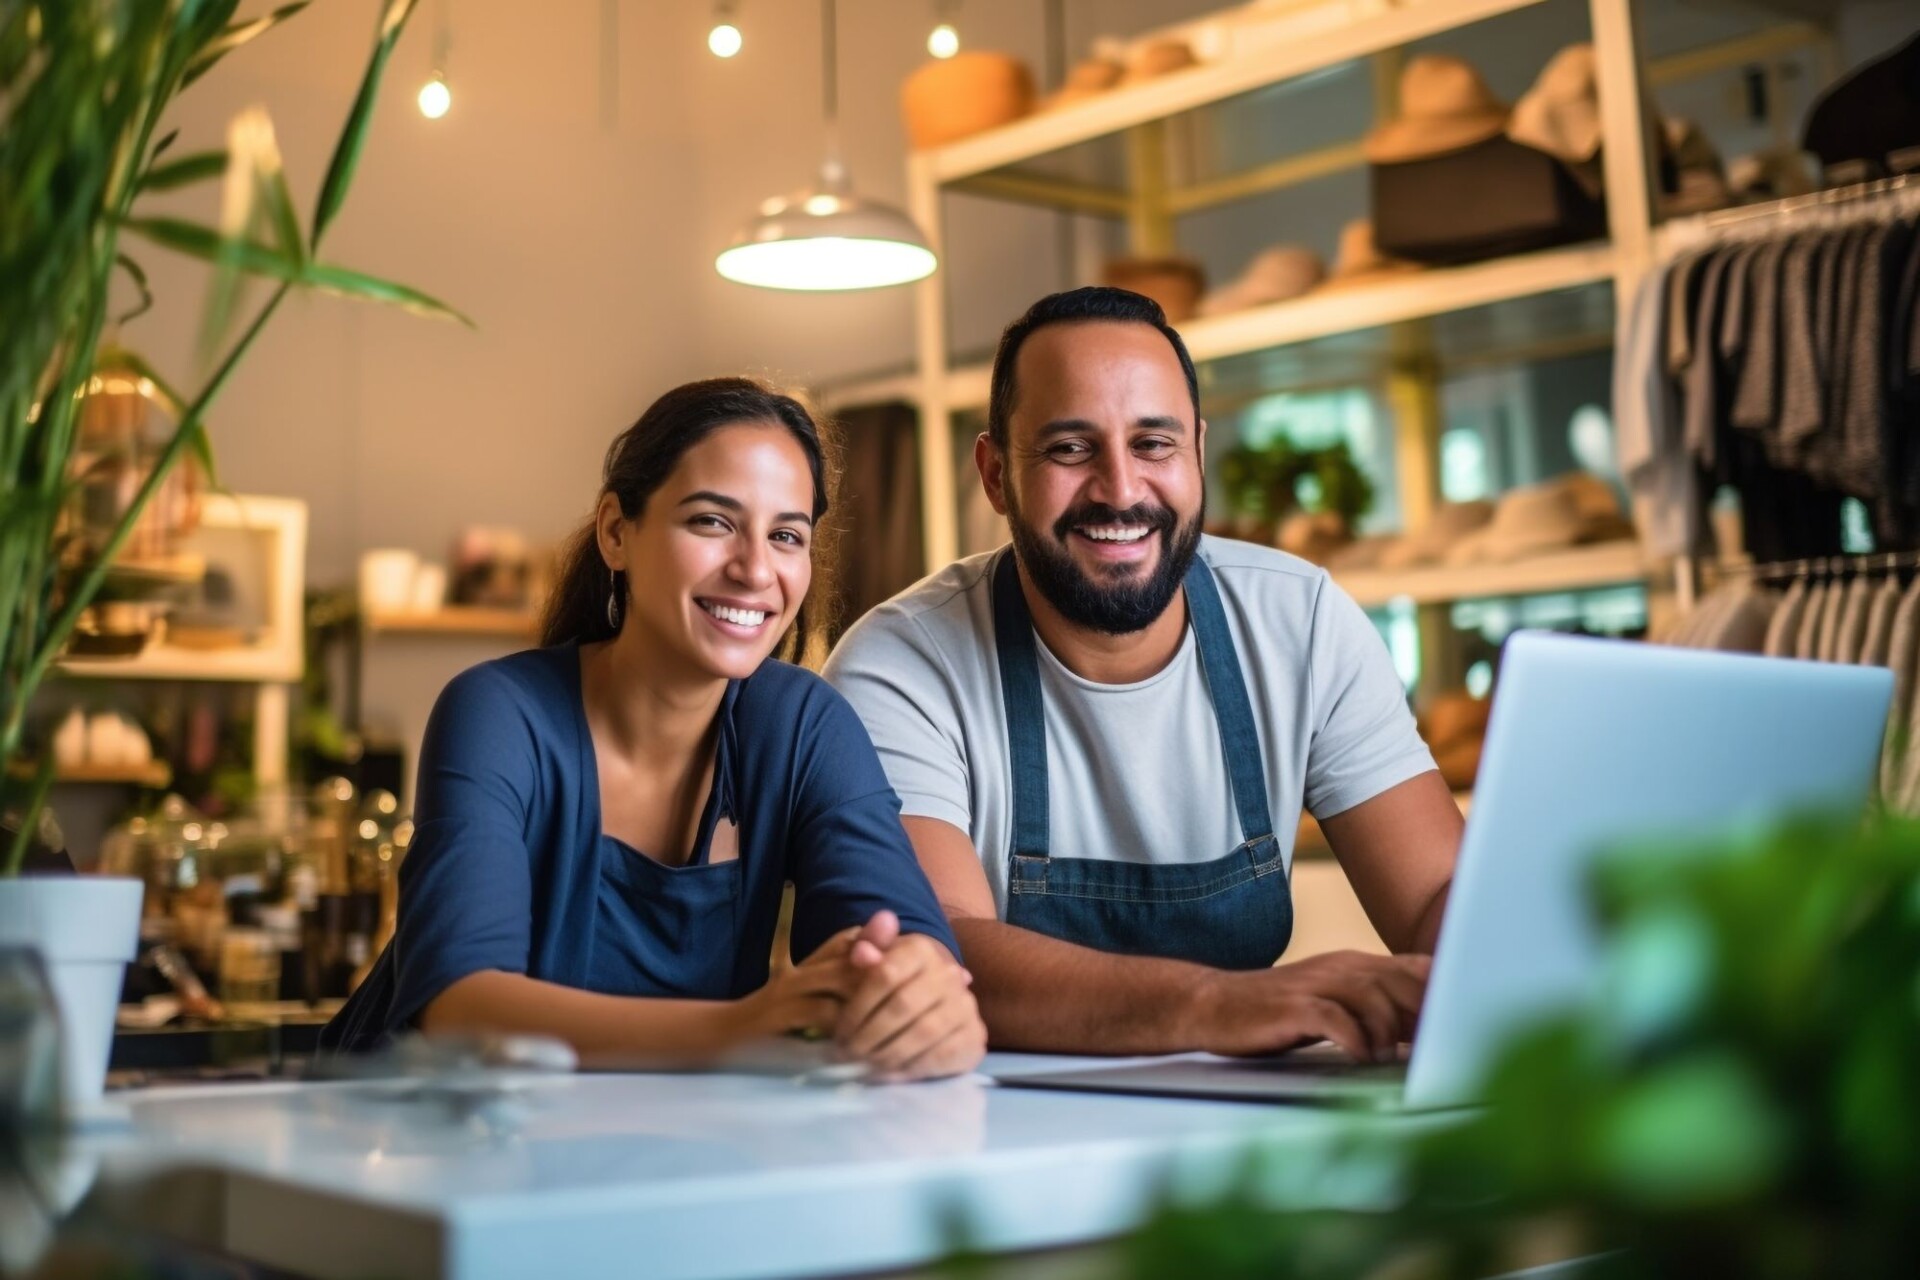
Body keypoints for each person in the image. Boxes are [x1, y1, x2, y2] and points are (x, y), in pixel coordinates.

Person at [823, 288, 1463, 1063]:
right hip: (992, 1122)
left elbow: (1437, 899)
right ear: (994, 474)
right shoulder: (901, 666)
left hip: (1243, 1122)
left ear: (1198, 451)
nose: (1121, 490)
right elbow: (940, 952)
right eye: (1070, 448)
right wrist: (1222, 1003)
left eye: (1154, 444)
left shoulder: (1303, 625)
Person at [323, 378, 985, 1081]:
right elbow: (460, 1008)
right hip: (410, 1129)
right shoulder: (501, 713)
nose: (755, 569)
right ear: (617, 532)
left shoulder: (803, 724)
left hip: (655, 1135)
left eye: (786, 536)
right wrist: (743, 1027)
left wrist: (921, 992)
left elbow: (906, 941)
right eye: (712, 522)